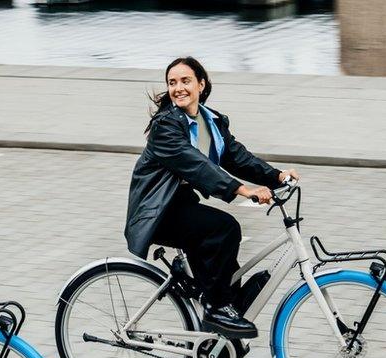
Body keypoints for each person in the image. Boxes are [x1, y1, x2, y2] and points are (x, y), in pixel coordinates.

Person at [125, 57, 300, 338]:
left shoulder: (211, 121)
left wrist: (277, 176)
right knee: (223, 228)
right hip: (156, 212)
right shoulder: (165, 126)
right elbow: (196, 164)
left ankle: (218, 348)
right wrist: (242, 190)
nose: (178, 88)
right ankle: (216, 308)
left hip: (180, 204)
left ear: (201, 85)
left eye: (185, 81)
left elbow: (237, 157)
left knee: (225, 257)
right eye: (172, 83)